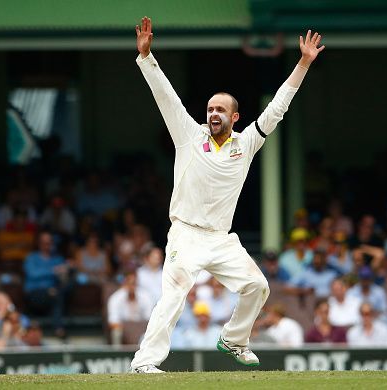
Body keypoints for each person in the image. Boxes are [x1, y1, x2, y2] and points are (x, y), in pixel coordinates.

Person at [130, 17, 325, 373]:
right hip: (186, 234)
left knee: (257, 286)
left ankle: (234, 339)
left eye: (220, 109)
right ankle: (144, 363)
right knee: (174, 293)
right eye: (210, 109)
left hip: (220, 239)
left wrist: (303, 63)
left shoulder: (247, 142)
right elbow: (167, 98)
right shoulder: (190, 135)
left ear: (235, 116)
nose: (213, 113)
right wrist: (147, 58)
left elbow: (278, 108)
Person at [23, 231, 68, 338]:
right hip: (34, 295)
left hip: (54, 295)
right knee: (54, 294)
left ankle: (58, 329)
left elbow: (63, 280)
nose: (47, 245)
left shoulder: (58, 259)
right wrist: (53, 270)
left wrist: (66, 271)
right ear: (39, 243)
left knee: (57, 293)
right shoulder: (31, 258)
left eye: (49, 243)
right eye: (44, 243)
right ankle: (58, 328)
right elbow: (32, 273)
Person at [107, 272, 153, 345]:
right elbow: (113, 321)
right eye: (129, 283)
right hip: (124, 330)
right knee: (116, 332)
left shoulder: (145, 296)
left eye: (134, 283)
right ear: (124, 283)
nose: (132, 286)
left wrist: (137, 329)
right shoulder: (115, 298)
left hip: (142, 329)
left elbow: (150, 319)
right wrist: (128, 329)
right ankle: (118, 355)